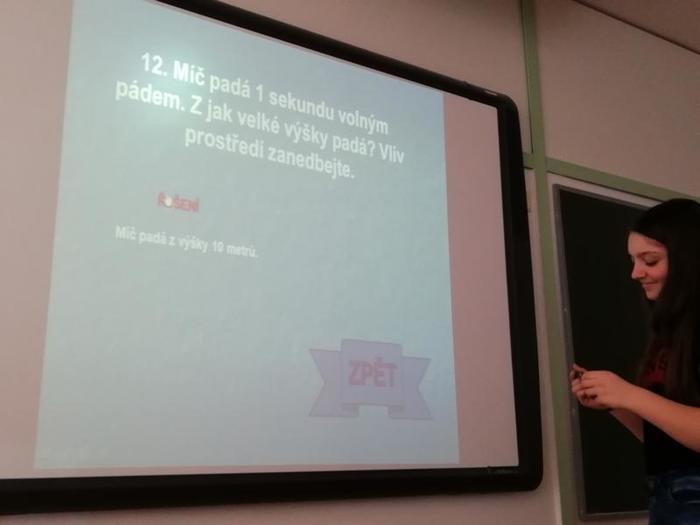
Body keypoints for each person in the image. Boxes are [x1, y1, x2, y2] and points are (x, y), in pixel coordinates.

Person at [570, 198, 700, 524]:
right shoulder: (669, 335)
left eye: (650, 260)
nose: (635, 273)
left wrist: (630, 394)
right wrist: (614, 403)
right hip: (668, 495)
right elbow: (668, 439)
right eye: (633, 260)